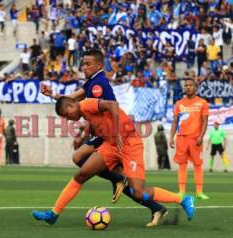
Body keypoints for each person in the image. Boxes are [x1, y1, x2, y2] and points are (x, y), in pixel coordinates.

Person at [40, 49, 167, 227]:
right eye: (83, 64)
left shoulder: (98, 84)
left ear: (99, 65)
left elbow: (99, 108)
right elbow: (72, 102)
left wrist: (96, 132)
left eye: (88, 64)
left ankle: (120, 180)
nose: (84, 67)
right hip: (106, 134)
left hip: (115, 136)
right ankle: (117, 179)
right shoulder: (92, 82)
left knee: (83, 161)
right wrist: (53, 95)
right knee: (79, 159)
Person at [32, 97, 195, 225]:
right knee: (82, 174)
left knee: (138, 192)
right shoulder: (84, 113)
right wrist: (83, 135)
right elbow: (98, 123)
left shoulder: (87, 105)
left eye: (68, 115)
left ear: (72, 106)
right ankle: (54, 214)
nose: (69, 119)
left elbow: (113, 105)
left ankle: (182, 199)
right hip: (110, 146)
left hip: (129, 144)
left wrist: (116, 132)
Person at [170, 78, 209, 200]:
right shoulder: (179, 104)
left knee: (198, 165)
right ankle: (181, 191)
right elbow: (175, 122)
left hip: (195, 139)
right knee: (182, 165)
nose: (188, 87)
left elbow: (205, 121)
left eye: (190, 85)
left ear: (196, 87)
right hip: (181, 139)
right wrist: (171, 137)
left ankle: (199, 192)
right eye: (186, 85)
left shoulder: (202, 103)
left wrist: (201, 136)